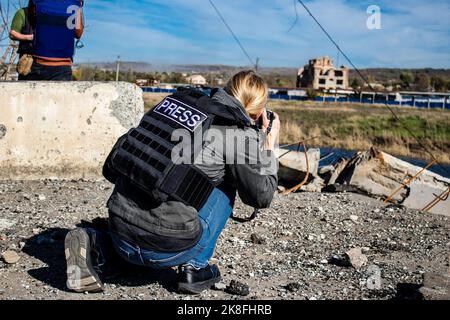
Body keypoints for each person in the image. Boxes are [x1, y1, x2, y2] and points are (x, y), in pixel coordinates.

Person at [64, 70, 281, 294]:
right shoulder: (238, 133)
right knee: (227, 184)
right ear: (257, 112)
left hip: (121, 234)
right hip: (168, 249)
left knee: (172, 176)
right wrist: (269, 144)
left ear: (227, 90)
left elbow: (112, 168)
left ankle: (98, 243)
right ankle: (194, 268)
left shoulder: (175, 106)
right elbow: (261, 196)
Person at [25, 0, 85, 81]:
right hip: (62, 64)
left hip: (39, 62)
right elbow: (78, 33)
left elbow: (32, 21)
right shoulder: (75, 2)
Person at [9, 1, 34, 80]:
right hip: (27, 58)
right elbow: (12, 33)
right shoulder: (22, 13)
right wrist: (29, 37)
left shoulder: (48, 13)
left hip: (45, 59)